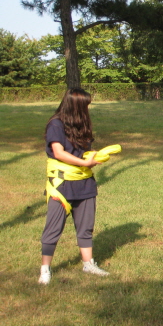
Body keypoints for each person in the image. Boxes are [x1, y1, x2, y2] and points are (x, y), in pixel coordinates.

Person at [39, 88, 109, 285]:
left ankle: (88, 264)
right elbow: (59, 152)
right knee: (53, 228)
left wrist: (93, 156)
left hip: (84, 183)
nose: (87, 109)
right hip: (61, 184)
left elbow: (81, 151)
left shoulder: (81, 125)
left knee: (86, 227)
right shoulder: (56, 124)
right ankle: (45, 269)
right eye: (85, 105)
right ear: (75, 106)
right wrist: (85, 162)